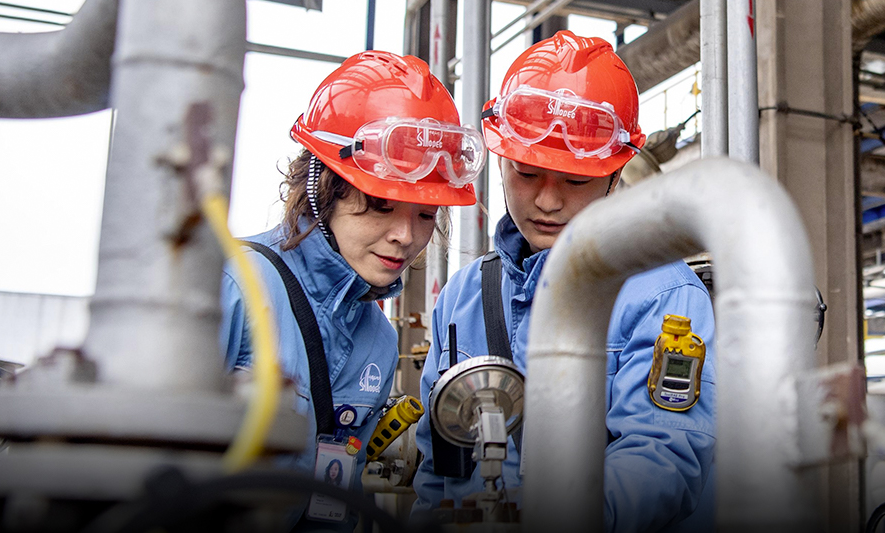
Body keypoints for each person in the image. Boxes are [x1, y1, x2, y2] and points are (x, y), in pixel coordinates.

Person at [412, 31, 717, 532]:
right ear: (501, 159)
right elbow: (436, 467)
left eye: (575, 180)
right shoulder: (463, 298)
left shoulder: (663, 296)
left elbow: (664, 454)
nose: (548, 201)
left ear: (616, 173)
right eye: (526, 173)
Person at [219, 50, 482, 528]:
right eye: (382, 205)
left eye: (426, 214)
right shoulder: (234, 286)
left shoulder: (376, 338)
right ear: (323, 185)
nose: (406, 236)